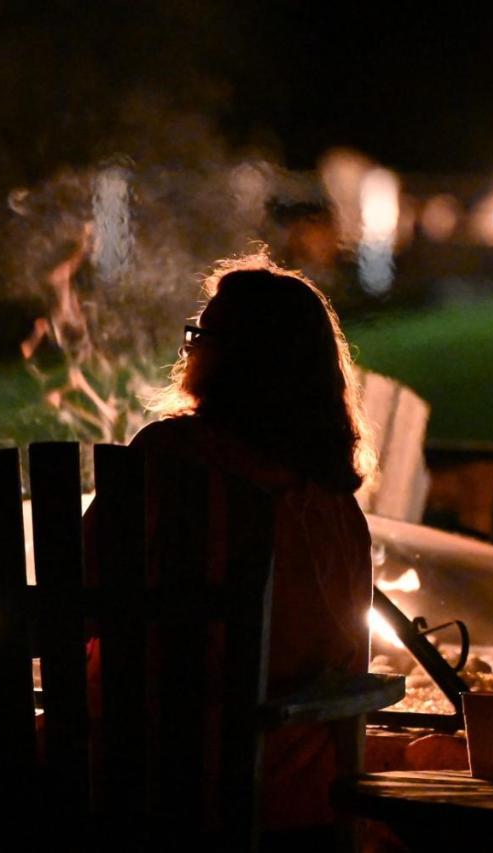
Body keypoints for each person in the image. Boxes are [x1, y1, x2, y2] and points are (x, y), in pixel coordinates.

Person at [130, 255, 376, 832]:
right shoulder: (336, 506)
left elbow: (82, 595)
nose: (189, 348)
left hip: (140, 777)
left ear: (234, 359)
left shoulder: (168, 457)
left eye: (201, 335)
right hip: (291, 794)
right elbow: (350, 665)